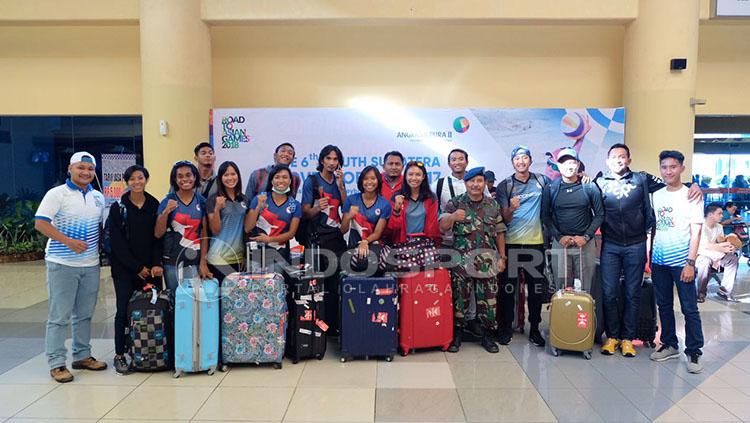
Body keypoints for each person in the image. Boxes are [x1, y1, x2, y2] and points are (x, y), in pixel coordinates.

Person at [594, 143, 702, 357]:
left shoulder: (642, 179)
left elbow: (671, 182)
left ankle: (628, 338)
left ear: (629, 160)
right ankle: (612, 336)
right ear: (607, 161)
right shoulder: (599, 183)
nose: (618, 160)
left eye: (622, 156)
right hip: (611, 246)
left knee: (633, 293)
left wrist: (695, 184)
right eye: (614, 157)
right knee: (609, 293)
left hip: (636, 245)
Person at [34, 152, 108, 383]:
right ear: (70, 168)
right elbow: (40, 223)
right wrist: (68, 242)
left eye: (89, 168)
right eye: (81, 167)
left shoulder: (98, 197)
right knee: (59, 316)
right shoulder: (57, 194)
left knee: (85, 315)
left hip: (91, 264)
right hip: (62, 263)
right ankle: (56, 363)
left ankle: (82, 355)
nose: (85, 172)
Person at [649, 150, 705, 374]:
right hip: (659, 260)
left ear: (682, 168)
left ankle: (694, 351)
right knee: (663, 305)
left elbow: (696, 231)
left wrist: (690, 262)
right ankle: (670, 344)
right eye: (664, 167)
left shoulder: (692, 195)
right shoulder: (656, 194)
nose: (668, 171)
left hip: (682, 261)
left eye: (673, 167)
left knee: (689, 308)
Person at [440, 167, 507, 353]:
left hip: (488, 261)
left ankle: (487, 336)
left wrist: (502, 257)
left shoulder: (492, 205)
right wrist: (453, 217)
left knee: (488, 300)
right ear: (466, 183)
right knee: (460, 299)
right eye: (471, 181)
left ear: (484, 183)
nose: (475, 184)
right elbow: (442, 227)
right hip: (461, 262)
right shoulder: (455, 203)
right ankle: (457, 335)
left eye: (479, 181)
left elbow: (500, 232)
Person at [107, 165, 163, 374]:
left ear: (146, 180)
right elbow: (117, 243)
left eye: (140, 178)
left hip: (151, 269)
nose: (137, 182)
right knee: (123, 311)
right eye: (132, 179)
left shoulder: (153, 204)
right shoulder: (118, 207)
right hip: (125, 270)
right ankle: (120, 353)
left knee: (152, 309)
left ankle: (152, 350)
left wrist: (156, 264)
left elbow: (158, 237)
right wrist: (136, 267)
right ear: (127, 182)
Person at [495, 146, 550, 347]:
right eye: (517, 158)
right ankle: (505, 329)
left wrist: (583, 177)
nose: (521, 161)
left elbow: (558, 192)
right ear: (512, 162)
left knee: (536, 290)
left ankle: (534, 328)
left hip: (536, 244)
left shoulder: (542, 181)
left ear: (530, 160)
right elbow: (503, 217)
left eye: (524, 157)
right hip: (511, 244)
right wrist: (511, 208)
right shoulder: (505, 185)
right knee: (508, 290)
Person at [431, 149, 486, 336]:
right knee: (449, 283)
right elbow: (432, 209)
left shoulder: (477, 183)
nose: (457, 162)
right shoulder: (439, 184)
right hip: (446, 243)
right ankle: (450, 319)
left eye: (461, 159)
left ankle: (470, 319)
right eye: (453, 159)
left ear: (467, 161)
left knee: (470, 282)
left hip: (471, 243)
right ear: (448, 163)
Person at [542, 148, 604, 293]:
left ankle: (585, 315)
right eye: (564, 163)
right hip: (561, 243)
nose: (569, 166)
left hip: (585, 244)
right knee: (561, 290)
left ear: (577, 164)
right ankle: (563, 315)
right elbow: (545, 216)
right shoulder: (551, 188)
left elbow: (600, 214)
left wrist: (586, 236)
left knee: (586, 289)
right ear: (558, 166)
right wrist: (559, 237)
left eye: (572, 162)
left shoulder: (589, 187)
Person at [301, 145, 347, 333]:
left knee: (335, 286)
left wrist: (341, 186)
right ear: (321, 160)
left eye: (335, 159)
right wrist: (317, 207)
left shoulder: (338, 181)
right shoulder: (311, 181)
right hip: (316, 240)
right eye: (328, 158)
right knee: (315, 287)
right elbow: (305, 212)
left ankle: (334, 327)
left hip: (336, 240)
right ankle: (316, 330)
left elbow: (346, 206)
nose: (332, 163)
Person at [155, 161, 211, 291]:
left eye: (188, 175)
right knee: (175, 300)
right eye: (180, 176)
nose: (185, 179)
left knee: (193, 300)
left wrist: (203, 261)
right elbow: (158, 233)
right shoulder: (167, 201)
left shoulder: (202, 201)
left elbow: (204, 234)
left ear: (195, 177)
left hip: (194, 260)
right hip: (172, 262)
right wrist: (165, 212)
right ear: (175, 179)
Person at [245, 165, 302, 266]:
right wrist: (258, 207)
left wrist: (270, 239)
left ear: (290, 181)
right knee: (256, 281)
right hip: (257, 252)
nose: (281, 180)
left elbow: (291, 233)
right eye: (277, 177)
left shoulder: (295, 205)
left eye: (285, 177)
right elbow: (247, 228)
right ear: (271, 181)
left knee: (276, 280)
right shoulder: (260, 198)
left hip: (279, 254)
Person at [341, 166, 392, 272]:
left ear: (378, 181)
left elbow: (378, 232)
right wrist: (348, 216)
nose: (369, 182)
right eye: (366, 178)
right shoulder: (351, 200)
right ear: (361, 181)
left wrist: (365, 242)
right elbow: (343, 230)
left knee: (386, 262)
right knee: (360, 263)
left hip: (374, 245)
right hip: (354, 247)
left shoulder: (384, 204)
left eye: (373, 178)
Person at [206, 161, 249, 283]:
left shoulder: (244, 199)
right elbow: (215, 230)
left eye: (233, 174)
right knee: (220, 298)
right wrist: (217, 208)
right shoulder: (213, 199)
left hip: (238, 258)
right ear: (220, 178)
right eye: (226, 175)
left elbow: (246, 228)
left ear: (238, 176)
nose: (230, 178)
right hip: (218, 259)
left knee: (235, 299)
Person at [386, 161, 441, 245]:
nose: (414, 178)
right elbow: (392, 227)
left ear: (423, 177)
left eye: (418, 175)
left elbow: (432, 228)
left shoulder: (431, 198)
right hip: (401, 245)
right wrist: (396, 209)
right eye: (410, 174)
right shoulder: (397, 197)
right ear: (405, 177)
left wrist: (432, 246)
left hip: (424, 245)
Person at [696, 203, 739, 303]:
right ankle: (700, 293)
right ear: (710, 215)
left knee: (732, 259)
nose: (722, 216)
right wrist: (723, 249)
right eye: (719, 213)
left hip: (715, 253)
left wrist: (728, 245)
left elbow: (720, 241)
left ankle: (724, 291)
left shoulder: (719, 227)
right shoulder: (700, 226)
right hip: (700, 254)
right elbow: (705, 245)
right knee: (705, 262)